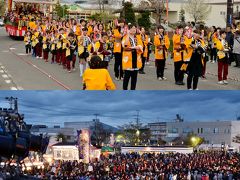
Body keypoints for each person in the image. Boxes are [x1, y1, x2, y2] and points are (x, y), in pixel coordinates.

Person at [122, 24, 143, 90]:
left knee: (134, 79)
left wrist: (139, 47)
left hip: (136, 58)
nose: (134, 29)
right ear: (129, 29)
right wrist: (135, 47)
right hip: (128, 59)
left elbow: (141, 45)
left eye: (135, 28)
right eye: (132, 28)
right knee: (126, 78)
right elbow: (124, 45)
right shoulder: (125, 37)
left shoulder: (137, 37)